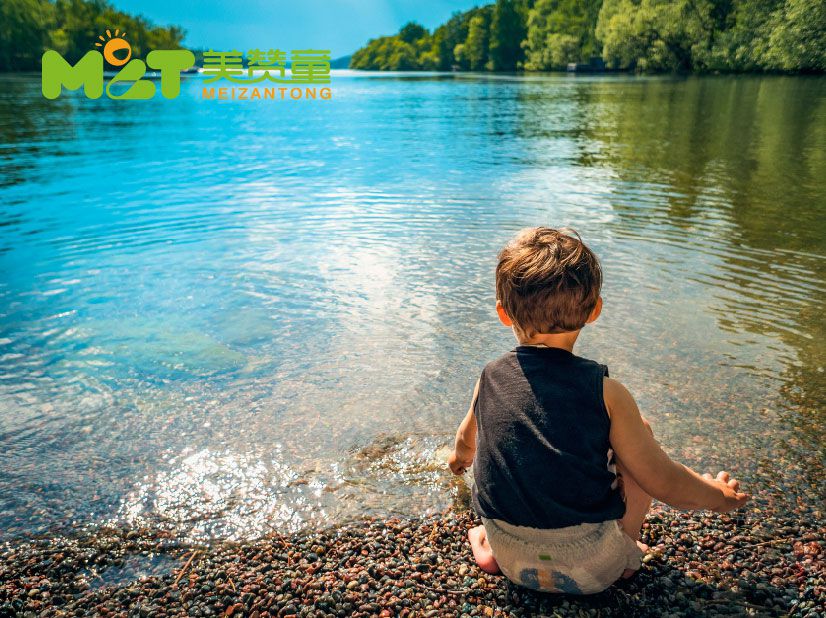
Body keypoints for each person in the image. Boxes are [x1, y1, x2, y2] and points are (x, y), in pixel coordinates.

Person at [447, 227, 749, 595]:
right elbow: (664, 482)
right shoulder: (607, 393)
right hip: (593, 569)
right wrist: (719, 496)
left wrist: (457, 461)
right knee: (639, 434)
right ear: (594, 310)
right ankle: (626, 552)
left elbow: (466, 442)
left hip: (511, 560)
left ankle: (488, 546)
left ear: (503, 314)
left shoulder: (489, 378)